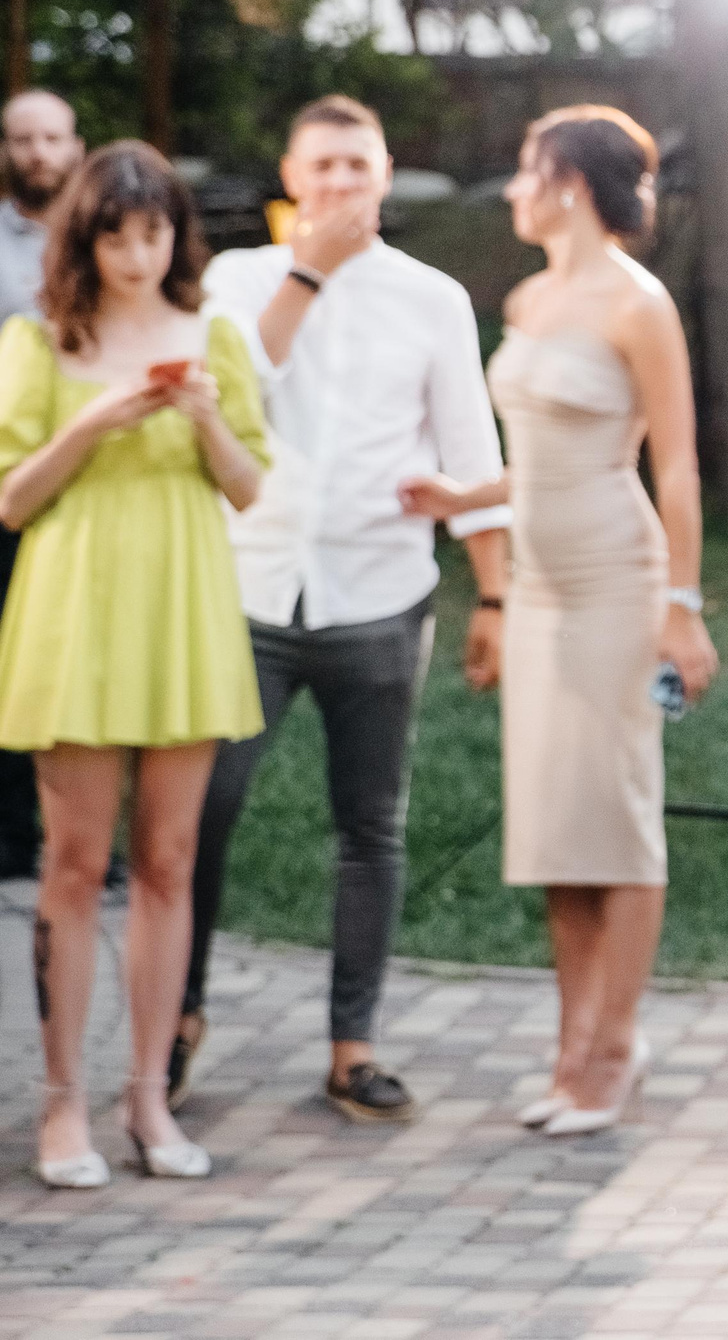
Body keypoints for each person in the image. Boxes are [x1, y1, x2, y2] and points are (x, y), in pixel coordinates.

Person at [175, 95, 513, 1124]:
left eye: (356, 169)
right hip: (250, 590)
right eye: (321, 167)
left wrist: (492, 591)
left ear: (383, 178)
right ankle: (177, 1015)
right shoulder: (237, 280)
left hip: (381, 594)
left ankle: (352, 1043)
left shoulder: (434, 297)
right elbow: (243, 389)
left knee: (371, 825)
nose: (338, 186)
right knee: (202, 810)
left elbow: (470, 452)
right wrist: (307, 271)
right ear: (290, 176)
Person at [399, 104, 716, 1137]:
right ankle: (571, 1038)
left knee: (617, 818)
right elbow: (532, 456)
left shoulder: (639, 305)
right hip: (535, 591)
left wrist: (682, 606)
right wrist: (458, 496)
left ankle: (613, 1047)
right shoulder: (530, 296)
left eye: (527, 173)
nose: (514, 192)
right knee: (554, 825)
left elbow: (673, 466)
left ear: (571, 182)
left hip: (618, 583)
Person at [0, 142, 268, 1186]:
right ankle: (60, 1103)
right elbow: (13, 497)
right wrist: (100, 418)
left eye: (152, 230)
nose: (134, 251)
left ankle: (148, 1095)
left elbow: (248, 486)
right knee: (73, 866)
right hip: (75, 610)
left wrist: (202, 415)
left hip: (182, 610)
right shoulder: (39, 341)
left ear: (175, 235)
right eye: (114, 232)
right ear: (86, 236)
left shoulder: (216, 340)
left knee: (168, 861)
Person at [0, 90, 83, 882]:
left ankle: (77, 831)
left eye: (51, 138)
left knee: (71, 655)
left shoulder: (103, 239)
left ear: (74, 144)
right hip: (13, 468)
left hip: (91, 477)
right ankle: (12, 832)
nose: (37, 154)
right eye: (22, 139)